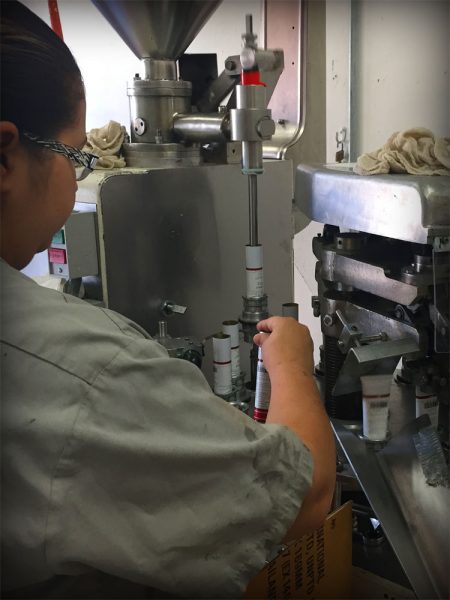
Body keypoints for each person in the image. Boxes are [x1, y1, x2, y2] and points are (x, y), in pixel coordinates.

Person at [0, 2, 335, 598]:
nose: (82, 174)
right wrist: (292, 368)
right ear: (5, 157)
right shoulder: (85, 372)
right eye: (77, 157)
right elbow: (305, 496)